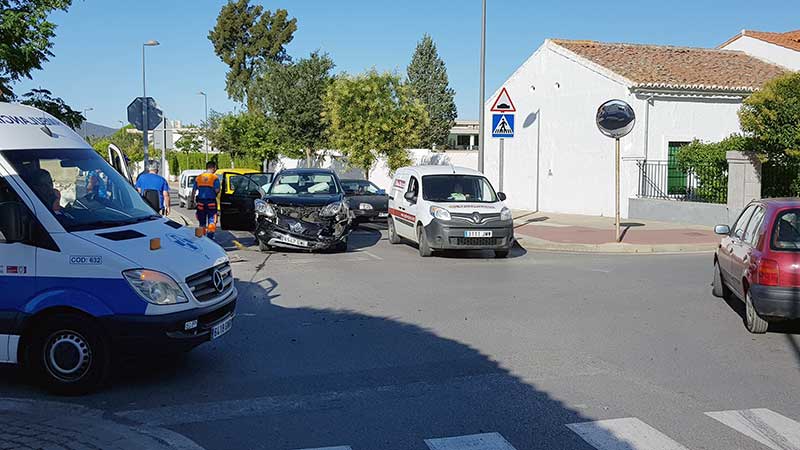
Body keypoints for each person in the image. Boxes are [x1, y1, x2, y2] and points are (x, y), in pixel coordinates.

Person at [192, 161, 221, 240]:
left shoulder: (198, 177)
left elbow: (193, 190)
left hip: (200, 202)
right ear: (213, 168)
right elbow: (217, 190)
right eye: (215, 168)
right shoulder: (214, 178)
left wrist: (192, 200)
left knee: (201, 222)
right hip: (211, 203)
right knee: (212, 221)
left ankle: (201, 239)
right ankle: (210, 239)